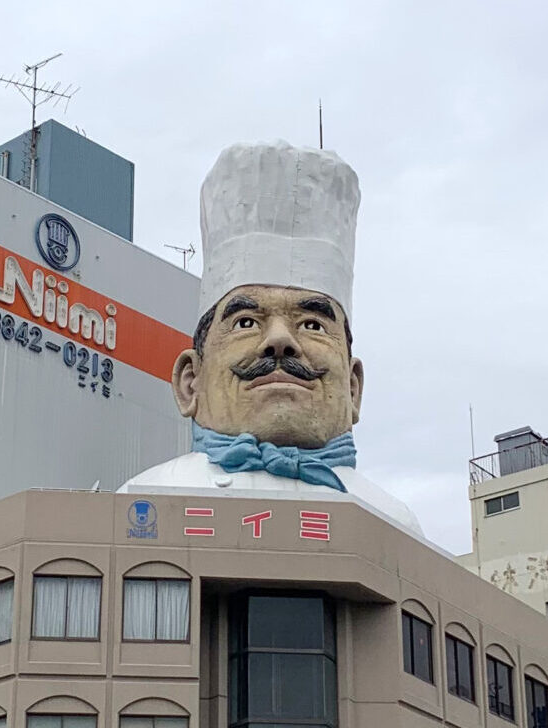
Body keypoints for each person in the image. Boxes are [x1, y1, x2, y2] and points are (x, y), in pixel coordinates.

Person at [120, 140, 424, 539]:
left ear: (354, 387)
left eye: (312, 325)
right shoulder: (143, 503)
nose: (280, 341)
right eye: (247, 322)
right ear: (189, 380)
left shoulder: (391, 523)